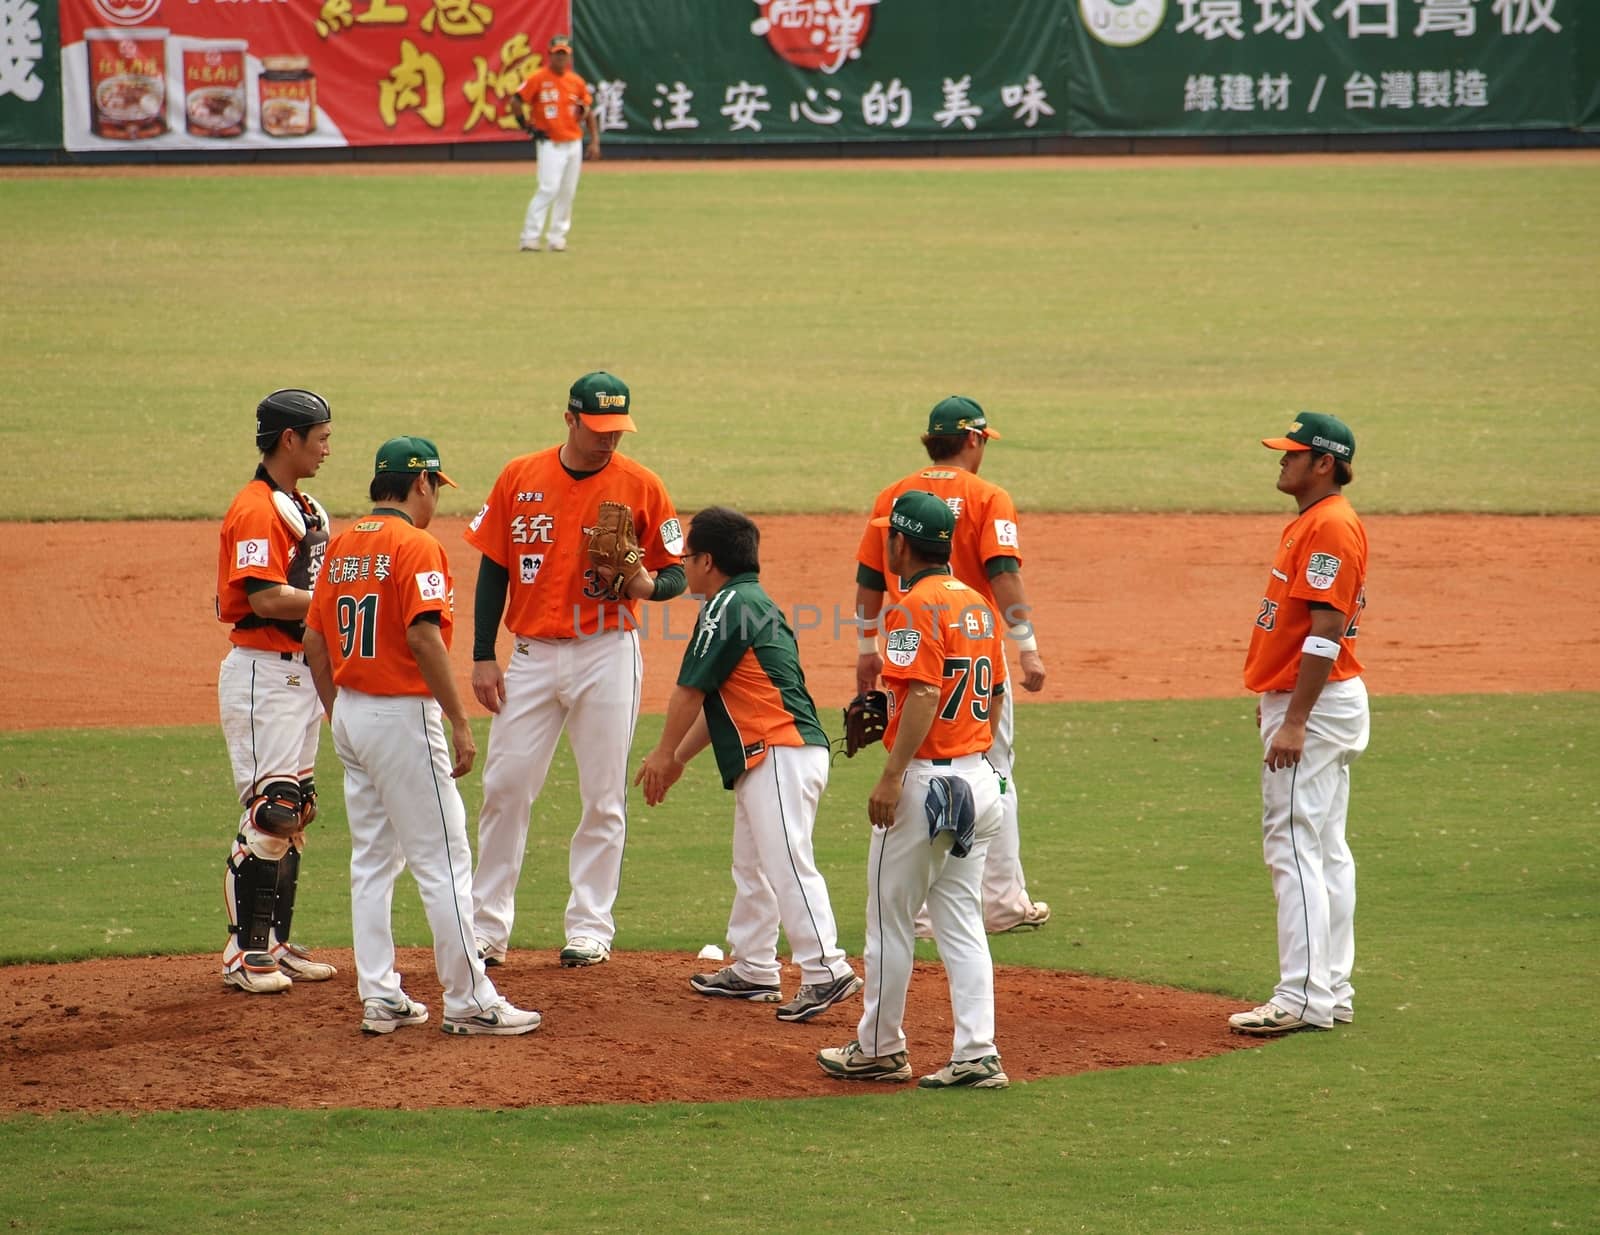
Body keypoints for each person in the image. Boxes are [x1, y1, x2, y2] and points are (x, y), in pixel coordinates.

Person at [304, 437, 541, 1037]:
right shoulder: (417, 546)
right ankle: (469, 998)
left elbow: (312, 641)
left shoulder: (342, 546)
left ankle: (380, 995)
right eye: (436, 487)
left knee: (373, 861)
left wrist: (340, 715)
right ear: (420, 485)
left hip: (353, 712)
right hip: (401, 717)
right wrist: (459, 720)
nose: (436, 498)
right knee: (446, 860)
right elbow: (423, 637)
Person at [468, 371, 685, 969]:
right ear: (569, 419)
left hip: (607, 652)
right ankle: (486, 928)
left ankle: (590, 926)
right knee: (505, 788)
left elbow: (676, 571)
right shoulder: (519, 475)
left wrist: (647, 582)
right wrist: (483, 652)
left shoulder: (642, 485)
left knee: (602, 796)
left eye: (617, 430)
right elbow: (493, 567)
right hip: (532, 655)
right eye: (597, 429)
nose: (608, 441)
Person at [635, 507, 863, 1023]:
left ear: (708, 560)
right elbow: (717, 700)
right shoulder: (750, 601)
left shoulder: (727, 606)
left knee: (785, 861)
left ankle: (827, 969)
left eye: (688, 558)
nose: (684, 566)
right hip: (772, 754)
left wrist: (664, 753)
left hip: (780, 751)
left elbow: (690, 691)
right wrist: (677, 759)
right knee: (754, 863)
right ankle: (756, 966)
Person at [819, 491, 1012, 1090]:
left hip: (927, 783)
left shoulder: (912, 607)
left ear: (902, 544)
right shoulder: (977, 604)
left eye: (888, 538)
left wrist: (891, 772)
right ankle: (978, 1052)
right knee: (959, 919)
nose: (884, 547)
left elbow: (925, 693)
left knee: (889, 919)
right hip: (978, 780)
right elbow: (997, 692)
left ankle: (878, 1047)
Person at [855, 395, 1049, 934]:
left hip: (909, 648)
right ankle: (1003, 901)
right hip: (975, 651)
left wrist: (866, 650)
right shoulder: (989, 495)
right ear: (974, 439)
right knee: (991, 769)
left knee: (913, 760)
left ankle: (917, 907)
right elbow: (1003, 572)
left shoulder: (893, 494)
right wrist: (1027, 644)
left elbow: (870, 580)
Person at [1230, 412, 1370, 1036]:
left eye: (1292, 453)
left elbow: (1324, 636)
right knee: (1323, 848)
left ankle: (1303, 997)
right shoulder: (1313, 522)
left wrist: (1296, 723)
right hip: (1312, 701)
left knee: (1293, 846)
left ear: (1324, 463)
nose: (1280, 461)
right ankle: (1330, 987)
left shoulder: (1332, 528)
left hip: (1312, 705)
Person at [213, 388, 338, 994]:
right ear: (290, 439)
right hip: (263, 673)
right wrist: (341, 607)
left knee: (297, 810)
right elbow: (264, 598)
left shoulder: (305, 506)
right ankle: (245, 953)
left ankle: (274, 945)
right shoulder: (256, 510)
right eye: (321, 437)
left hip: (298, 673)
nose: (327, 448)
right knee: (271, 812)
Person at [511, 33, 600, 254]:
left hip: (573, 143)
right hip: (550, 143)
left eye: (564, 55)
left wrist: (594, 140)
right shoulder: (538, 78)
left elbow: (588, 111)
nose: (561, 59)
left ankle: (557, 237)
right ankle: (530, 237)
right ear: (549, 55)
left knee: (567, 192)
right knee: (548, 188)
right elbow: (516, 100)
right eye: (557, 54)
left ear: (569, 57)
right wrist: (527, 126)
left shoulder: (576, 81)